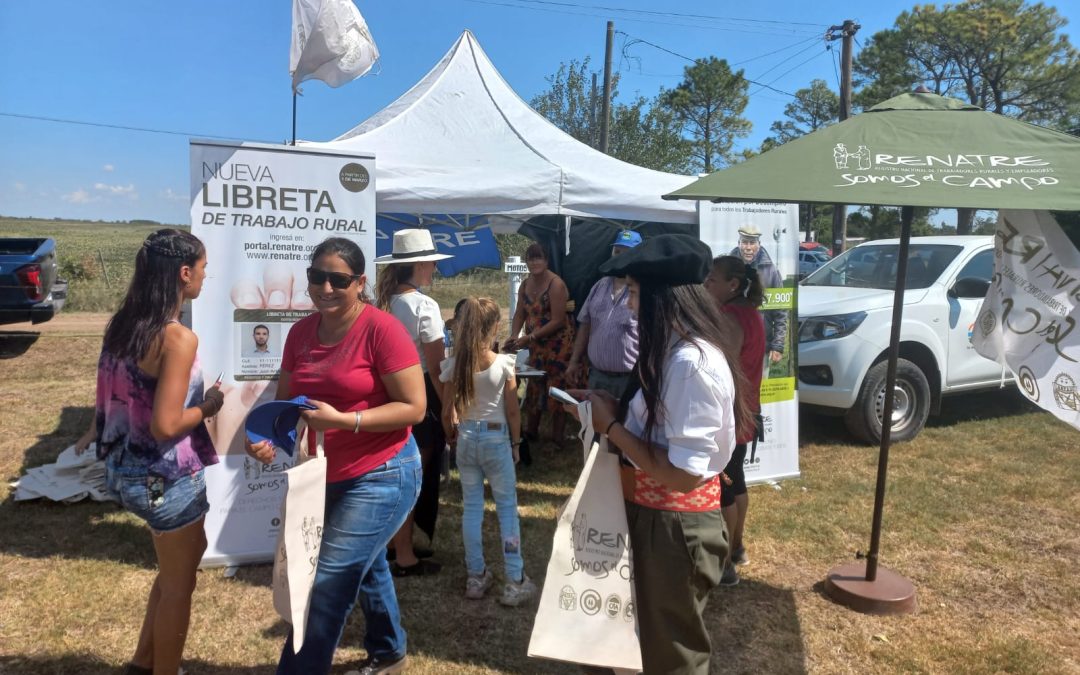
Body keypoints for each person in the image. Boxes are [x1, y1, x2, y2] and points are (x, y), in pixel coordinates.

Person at [568, 234, 755, 675]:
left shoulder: (692, 363)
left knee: (668, 657)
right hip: (651, 514)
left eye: (634, 294)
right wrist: (610, 407)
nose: (630, 306)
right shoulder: (671, 353)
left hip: (673, 524)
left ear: (662, 298)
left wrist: (609, 426)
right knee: (627, 642)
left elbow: (684, 475)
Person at [246, 237, 426, 675]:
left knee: (326, 585)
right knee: (366, 564)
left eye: (338, 280)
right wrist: (269, 438)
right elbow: (289, 404)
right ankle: (389, 651)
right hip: (325, 473)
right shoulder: (300, 333)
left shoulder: (382, 330)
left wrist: (345, 421)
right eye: (316, 277)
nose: (325, 288)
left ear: (360, 283)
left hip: (385, 471)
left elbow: (414, 408)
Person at [74, 228, 224, 675]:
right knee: (180, 585)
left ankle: (143, 661)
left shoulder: (123, 325)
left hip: (126, 471)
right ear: (183, 274)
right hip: (165, 478)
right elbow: (165, 425)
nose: (203, 277)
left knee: (179, 564)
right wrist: (208, 406)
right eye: (202, 269)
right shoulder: (177, 338)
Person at [439, 297, 536, 605]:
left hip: (466, 439)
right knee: (507, 510)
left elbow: (446, 412)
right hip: (496, 441)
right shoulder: (505, 365)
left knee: (472, 509)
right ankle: (515, 578)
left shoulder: (454, 365)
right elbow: (513, 412)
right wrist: (517, 444)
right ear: (495, 327)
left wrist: (452, 436)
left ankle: (476, 575)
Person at [374, 228, 452, 577]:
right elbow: (437, 369)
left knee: (393, 468)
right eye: (431, 264)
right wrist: (449, 411)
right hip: (420, 391)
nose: (434, 270)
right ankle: (404, 553)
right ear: (419, 265)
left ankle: (393, 543)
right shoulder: (424, 306)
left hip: (385, 392)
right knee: (413, 474)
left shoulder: (382, 303)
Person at [704, 255, 767, 587]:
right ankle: (737, 546)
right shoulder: (749, 312)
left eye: (711, 280)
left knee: (725, 488)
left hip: (732, 411)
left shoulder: (730, 315)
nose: (705, 285)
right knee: (736, 479)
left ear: (732, 285)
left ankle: (726, 563)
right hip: (746, 409)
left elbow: (720, 369)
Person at [506, 242, 575, 443]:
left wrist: (529, 338)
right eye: (531, 258)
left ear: (546, 261)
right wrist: (514, 335)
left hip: (558, 345)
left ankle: (557, 438)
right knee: (535, 386)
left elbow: (558, 320)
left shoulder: (556, 284)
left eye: (538, 258)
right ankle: (531, 431)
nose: (534, 262)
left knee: (557, 387)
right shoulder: (525, 284)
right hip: (535, 343)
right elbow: (520, 313)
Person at [566, 229, 641, 400]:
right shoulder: (600, 286)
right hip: (597, 377)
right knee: (596, 424)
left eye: (626, 252)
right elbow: (585, 325)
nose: (619, 256)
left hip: (629, 380)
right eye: (617, 251)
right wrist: (574, 361)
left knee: (625, 425)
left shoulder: (642, 290)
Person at [730, 225, 787, 367]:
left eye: (752, 243)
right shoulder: (727, 268)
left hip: (761, 345)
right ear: (738, 244)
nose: (748, 247)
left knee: (759, 387)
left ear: (759, 245)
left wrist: (778, 345)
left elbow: (781, 310)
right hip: (732, 344)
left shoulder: (771, 270)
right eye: (744, 242)